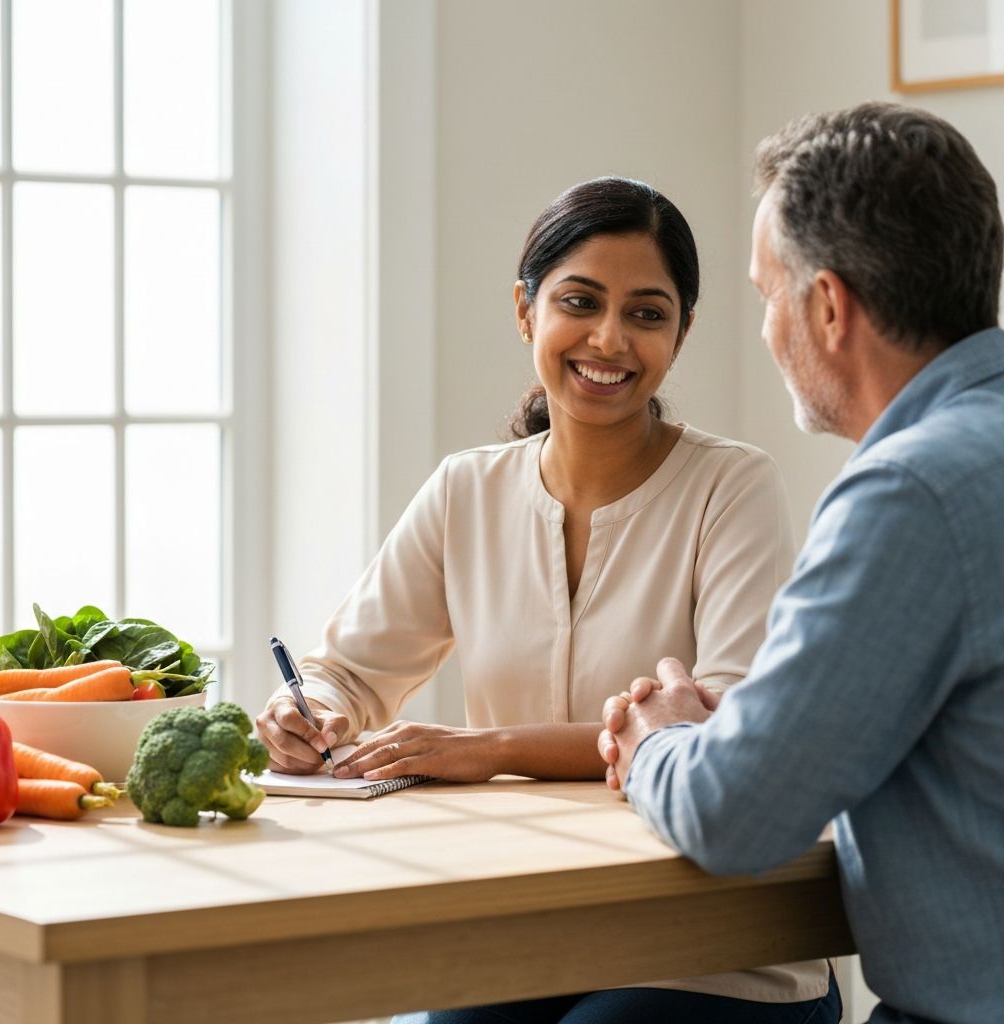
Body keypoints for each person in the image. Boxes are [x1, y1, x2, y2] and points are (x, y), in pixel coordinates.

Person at [256, 176, 840, 1022]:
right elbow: (347, 671)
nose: (610, 339)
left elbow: (726, 727)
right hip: (522, 933)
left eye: (646, 313)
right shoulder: (465, 490)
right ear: (526, 311)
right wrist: (305, 708)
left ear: (681, 333)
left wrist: (486, 748)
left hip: (714, 943)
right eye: (580, 302)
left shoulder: (733, 486)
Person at [599, 102, 1004, 1024]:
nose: (765, 330)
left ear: (827, 307)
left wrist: (658, 735)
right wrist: (766, 725)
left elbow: (733, 814)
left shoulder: (910, 495)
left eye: (766, 295)